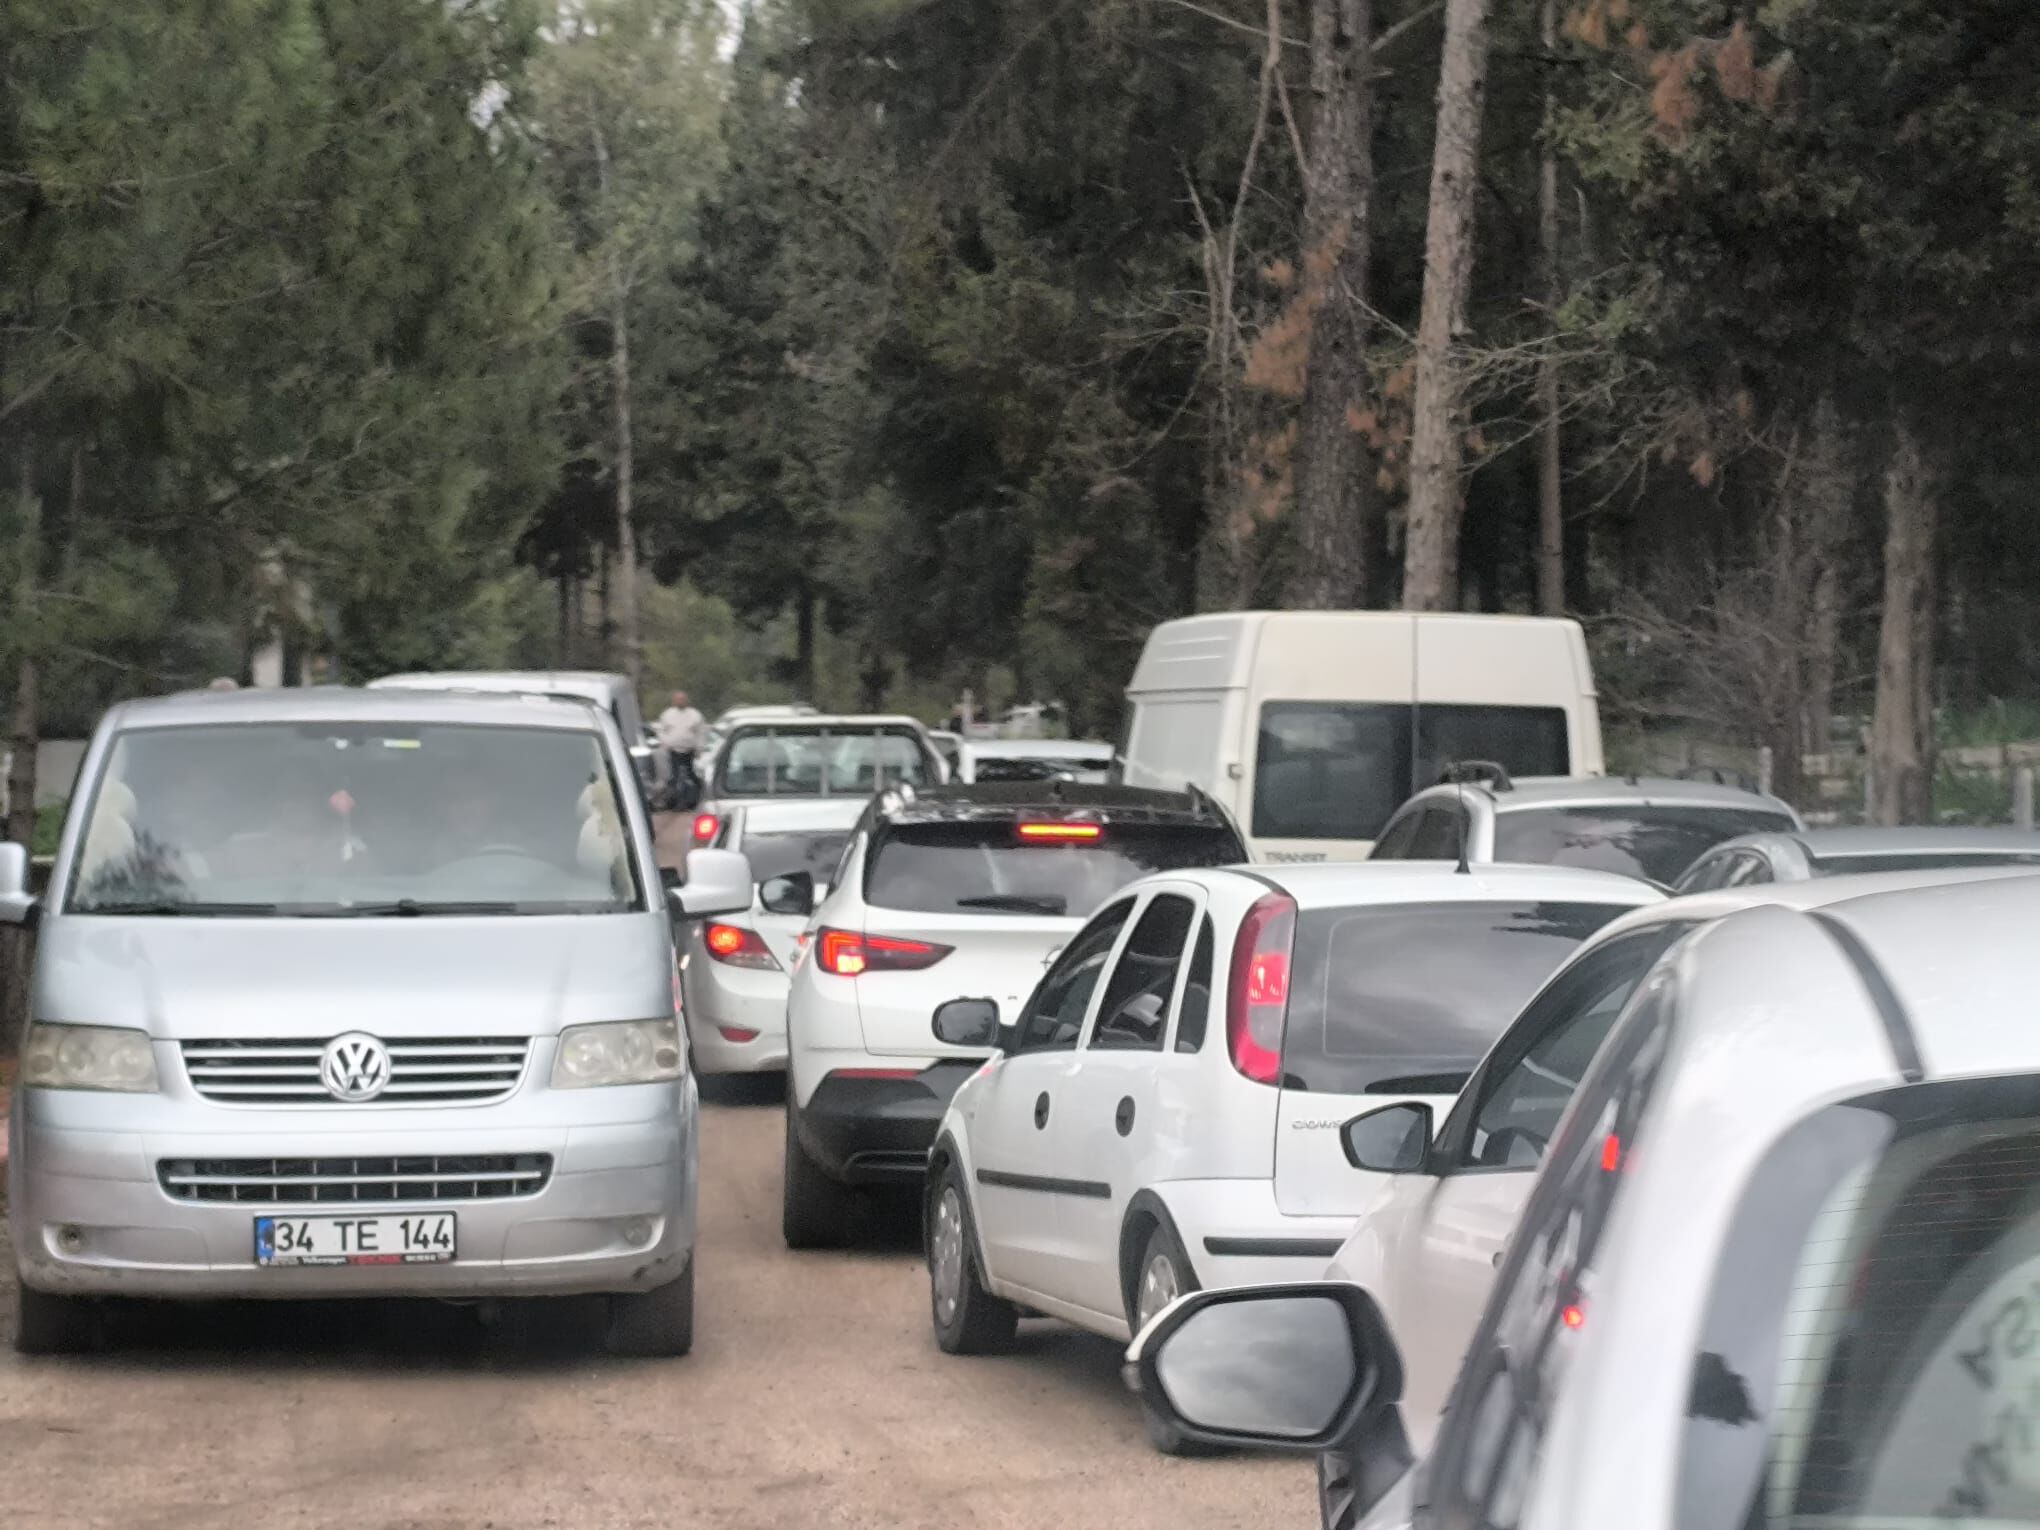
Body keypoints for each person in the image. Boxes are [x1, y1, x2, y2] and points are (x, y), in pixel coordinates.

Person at [654, 689, 705, 806]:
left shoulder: (695, 715)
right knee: (674, 776)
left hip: (690, 750)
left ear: (686, 700)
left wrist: (700, 748)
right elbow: (661, 731)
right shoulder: (667, 715)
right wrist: (665, 743)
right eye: (678, 699)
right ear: (674, 701)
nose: (680, 701)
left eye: (682, 699)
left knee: (691, 774)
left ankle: (699, 795)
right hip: (673, 750)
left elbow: (701, 733)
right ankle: (674, 801)